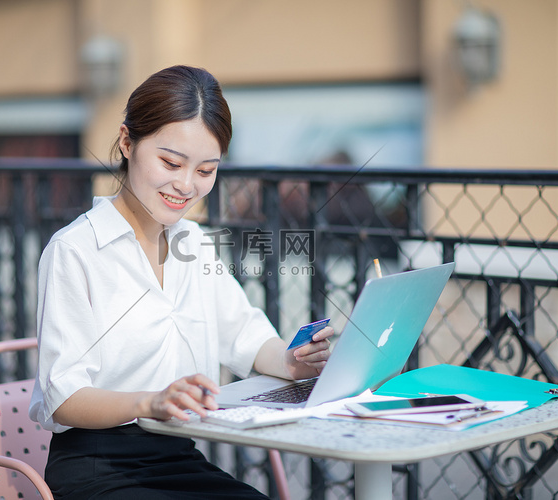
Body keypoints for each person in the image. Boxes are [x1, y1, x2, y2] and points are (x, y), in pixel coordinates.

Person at [29, 65, 334, 499]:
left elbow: (245, 337)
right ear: (127, 142)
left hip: (178, 458)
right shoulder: (75, 250)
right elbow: (63, 397)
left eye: (206, 170)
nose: (186, 186)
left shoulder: (195, 243)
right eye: (170, 163)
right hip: (95, 467)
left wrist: (292, 361)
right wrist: (150, 402)